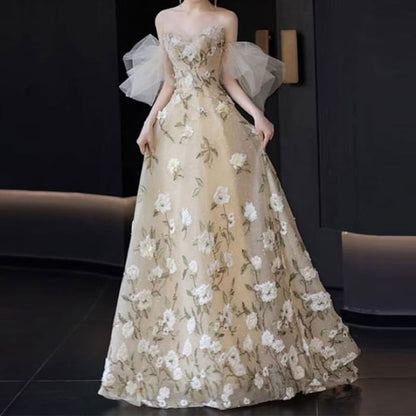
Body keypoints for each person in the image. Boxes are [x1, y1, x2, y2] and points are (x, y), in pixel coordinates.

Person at [97, 0, 361, 410]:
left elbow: (227, 77)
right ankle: (189, 345)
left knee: (226, 222)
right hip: (175, 134)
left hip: (219, 127)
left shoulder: (225, 19)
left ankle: (236, 335)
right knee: (180, 228)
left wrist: (257, 114)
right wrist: (148, 124)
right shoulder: (164, 18)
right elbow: (169, 81)